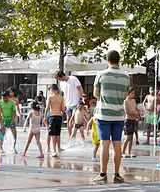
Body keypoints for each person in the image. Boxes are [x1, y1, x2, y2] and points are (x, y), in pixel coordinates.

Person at [90, 50, 131, 184]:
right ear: (119, 60)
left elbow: (96, 94)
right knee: (117, 145)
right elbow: (125, 96)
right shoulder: (126, 77)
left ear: (107, 60)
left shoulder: (101, 74)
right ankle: (117, 174)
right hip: (119, 114)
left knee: (104, 144)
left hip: (104, 114)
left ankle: (103, 174)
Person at [55, 70, 85, 138]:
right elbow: (63, 94)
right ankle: (71, 137)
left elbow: (80, 88)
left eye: (60, 79)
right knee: (69, 120)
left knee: (76, 121)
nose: (60, 80)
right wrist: (63, 104)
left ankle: (81, 136)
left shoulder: (73, 79)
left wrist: (81, 99)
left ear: (62, 76)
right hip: (68, 104)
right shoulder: (62, 83)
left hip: (76, 103)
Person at [45, 84, 66, 157]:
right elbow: (63, 109)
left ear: (53, 90)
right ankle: (58, 148)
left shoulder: (50, 97)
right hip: (59, 116)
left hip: (52, 116)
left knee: (53, 134)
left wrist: (44, 116)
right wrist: (61, 114)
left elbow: (47, 107)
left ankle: (54, 150)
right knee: (58, 134)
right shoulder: (61, 98)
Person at [122, 90, 139, 158]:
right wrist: (135, 114)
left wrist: (139, 114)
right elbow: (127, 111)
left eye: (133, 93)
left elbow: (136, 108)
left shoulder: (133, 101)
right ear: (128, 94)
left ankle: (129, 152)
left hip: (133, 120)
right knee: (128, 137)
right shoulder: (125, 102)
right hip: (128, 120)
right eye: (132, 93)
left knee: (131, 137)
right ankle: (123, 152)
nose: (133, 95)